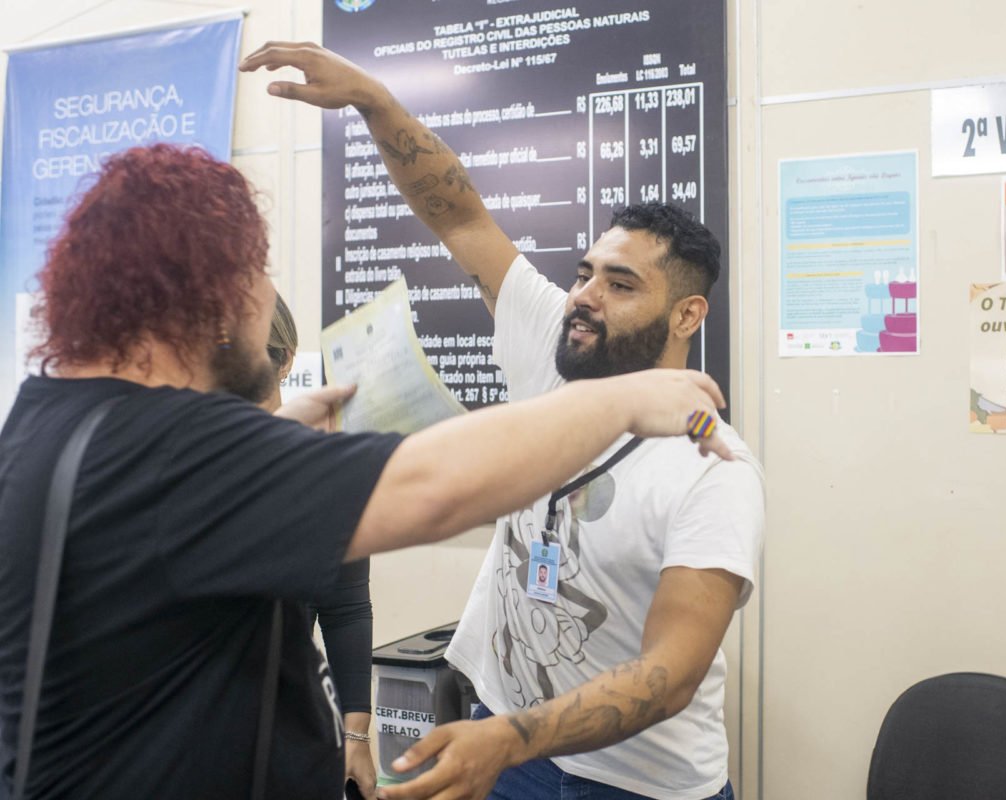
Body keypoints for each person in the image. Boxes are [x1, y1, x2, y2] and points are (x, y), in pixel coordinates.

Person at [0, 143, 732, 800]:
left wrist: (279, 441)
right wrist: (623, 404)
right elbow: (432, 487)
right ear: (212, 298)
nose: (266, 297)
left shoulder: (55, 420)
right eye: (257, 273)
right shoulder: (171, 450)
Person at [243, 42, 765, 800]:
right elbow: (458, 215)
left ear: (687, 312)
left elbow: (669, 673)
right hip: (508, 738)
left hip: (632, 783)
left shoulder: (716, 469)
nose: (584, 295)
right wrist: (374, 102)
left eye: (620, 285)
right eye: (585, 272)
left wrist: (510, 738)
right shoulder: (554, 343)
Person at [262, 292, 378, 798]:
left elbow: (346, 606)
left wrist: (356, 735)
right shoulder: (180, 460)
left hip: (290, 727)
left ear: (284, 360)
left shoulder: (319, 467)